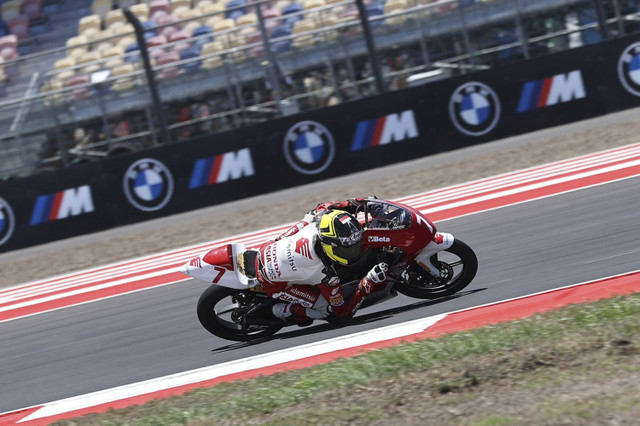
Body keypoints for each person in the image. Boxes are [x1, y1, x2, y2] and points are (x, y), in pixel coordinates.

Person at [237, 198, 389, 326]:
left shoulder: (317, 221)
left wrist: (359, 203)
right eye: (347, 249)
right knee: (328, 312)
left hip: (268, 248)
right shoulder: (325, 275)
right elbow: (342, 313)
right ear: (330, 247)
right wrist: (367, 284)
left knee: (306, 219)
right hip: (274, 283)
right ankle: (281, 310)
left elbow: (326, 206)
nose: (353, 251)